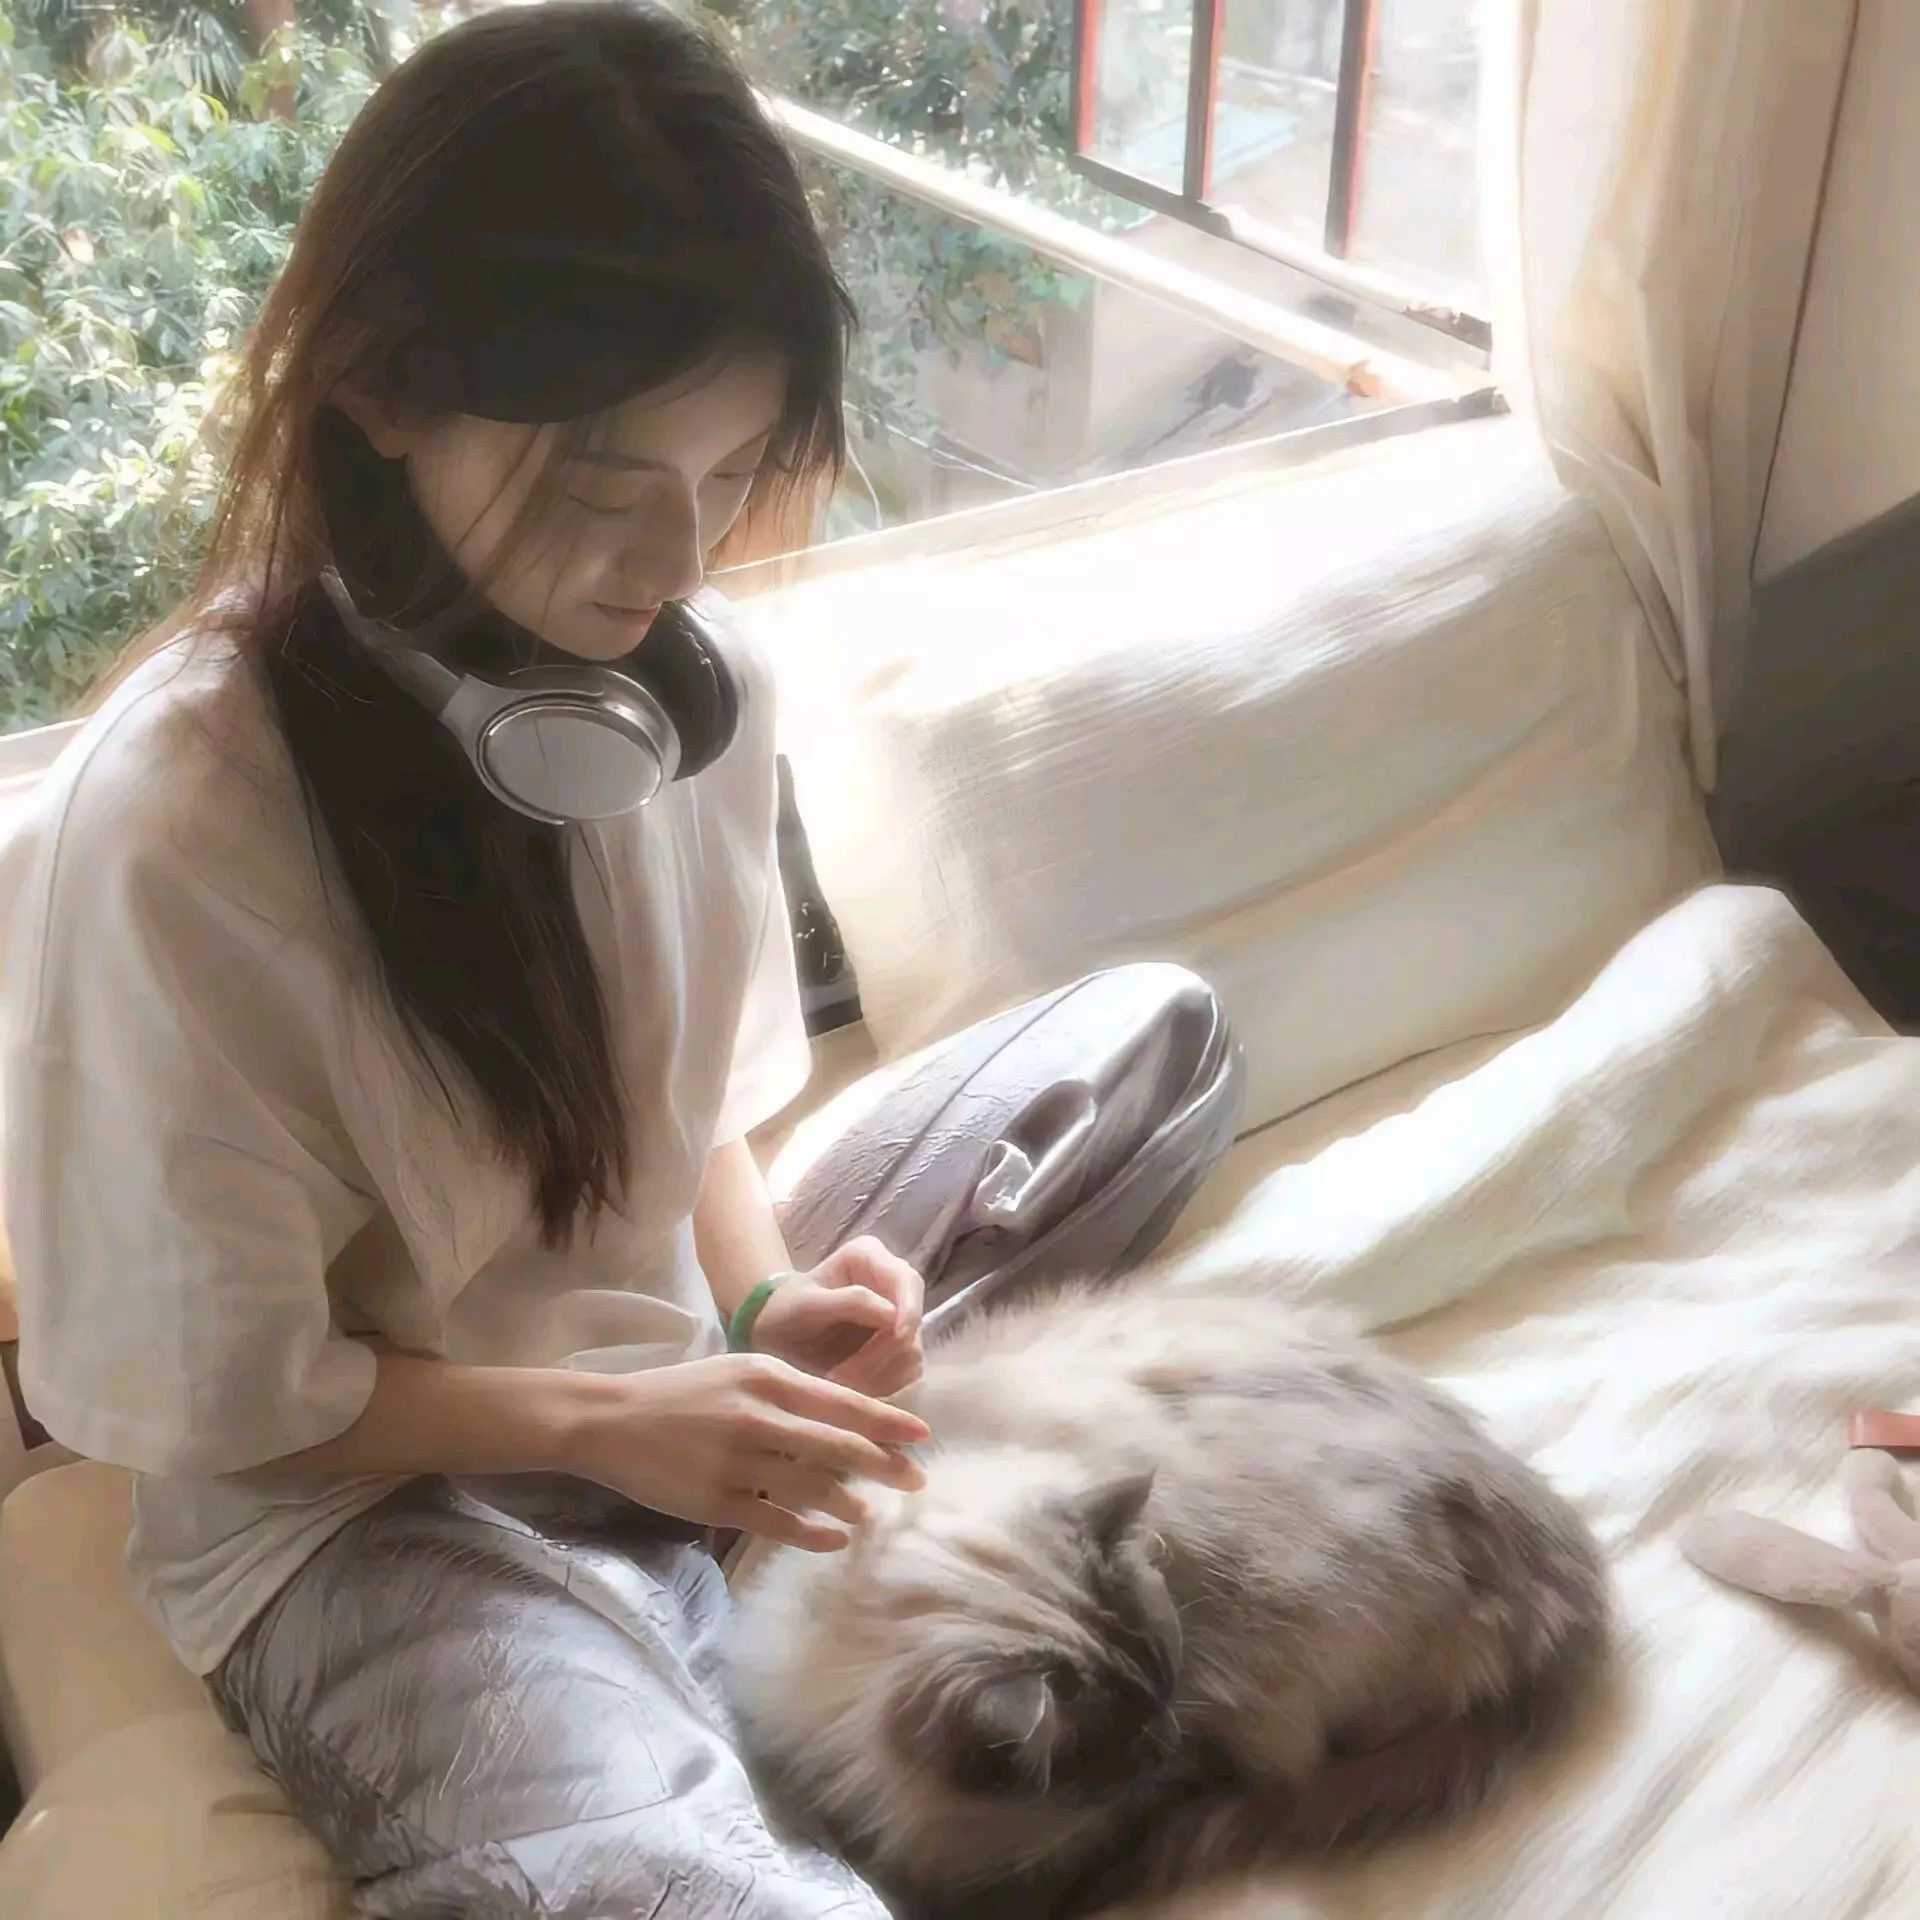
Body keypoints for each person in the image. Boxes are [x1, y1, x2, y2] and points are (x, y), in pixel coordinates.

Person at [0, 6, 927, 1912]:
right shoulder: (182, 829)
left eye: (729, 471)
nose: (674, 562)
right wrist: (615, 1426)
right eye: (603, 480)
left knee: (1143, 1041)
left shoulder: (698, 692)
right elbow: (223, 1394)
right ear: (379, 388)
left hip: (669, 1390)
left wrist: (767, 1310)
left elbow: (695, 1111)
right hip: (362, 1506)